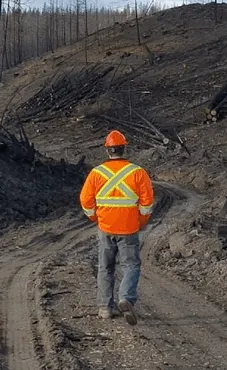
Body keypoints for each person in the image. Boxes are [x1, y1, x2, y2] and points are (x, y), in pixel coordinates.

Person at [79, 130, 154, 325]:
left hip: (105, 227)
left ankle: (105, 308)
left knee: (105, 267)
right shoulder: (138, 172)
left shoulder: (96, 173)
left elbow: (85, 200)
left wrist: (96, 218)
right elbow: (147, 203)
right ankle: (125, 298)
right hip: (129, 228)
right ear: (124, 148)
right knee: (131, 265)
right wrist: (139, 222)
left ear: (107, 150)